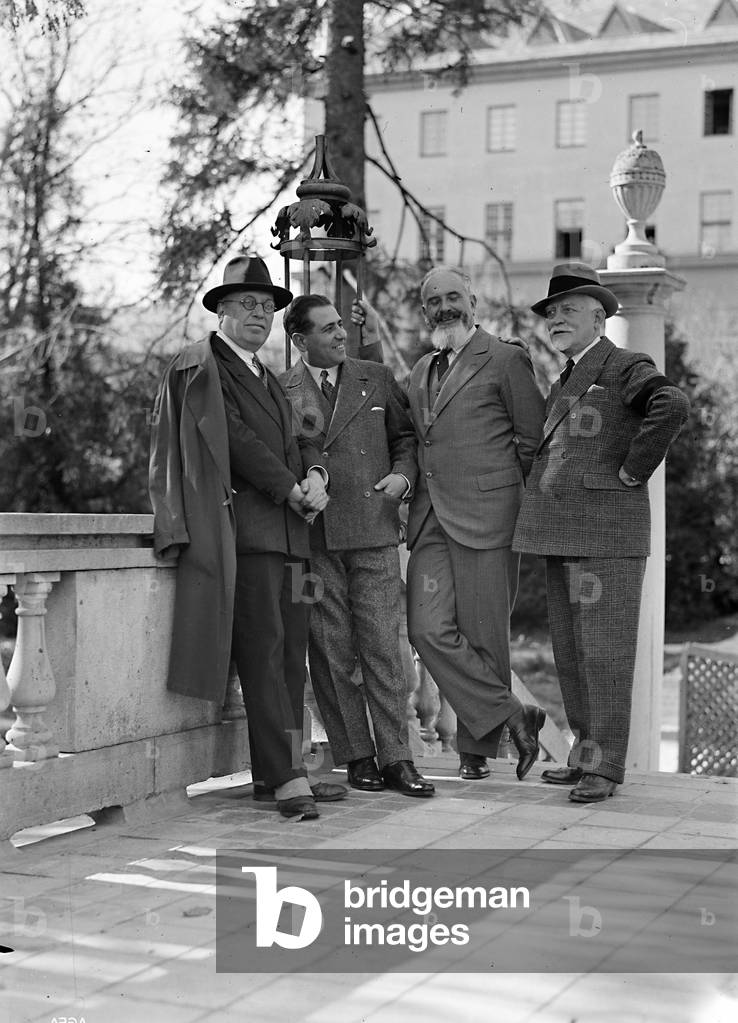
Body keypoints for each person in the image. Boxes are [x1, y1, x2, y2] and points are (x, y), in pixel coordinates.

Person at [149, 254, 346, 820]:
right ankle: (286, 779)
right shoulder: (204, 368)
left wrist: (316, 476)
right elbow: (233, 441)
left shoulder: (265, 374)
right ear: (222, 311)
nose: (260, 314)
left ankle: (278, 773)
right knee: (262, 655)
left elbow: (300, 438)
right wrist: (289, 487)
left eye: (267, 306)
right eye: (248, 304)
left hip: (292, 534)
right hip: (249, 534)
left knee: (290, 660)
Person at [513, 262, 690, 803]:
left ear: (599, 316)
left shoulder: (622, 364)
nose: (556, 319)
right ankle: (584, 757)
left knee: (606, 653)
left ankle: (606, 768)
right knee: (571, 654)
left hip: (607, 535)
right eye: (550, 312)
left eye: (567, 310)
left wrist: (634, 470)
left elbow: (672, 404)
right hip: (565, 533)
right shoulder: (567, 374)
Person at [280, 294, 435, 797]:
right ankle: (357, 755)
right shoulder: (282, 389)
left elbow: (407, 438)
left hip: (373, 526)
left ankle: (398, 757)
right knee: (330, 650)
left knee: (383, 648)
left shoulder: (375, 375)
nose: (341, 334)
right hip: (316, 534)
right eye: (327, 329)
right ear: (300, 341)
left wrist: (401, 477)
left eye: (340, 325)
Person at [405, 266, 547, 782]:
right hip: (430, 519)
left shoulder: (506, 360)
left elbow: (533, 444)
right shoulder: (419, 371)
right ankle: (514, 714)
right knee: (425, 627)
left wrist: (519, 513)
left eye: (453, 297)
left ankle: (476, 750)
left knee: (486, 635)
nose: (445, 307)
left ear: (473, 301)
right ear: (425, 312)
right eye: (434, 301)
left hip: (490, 518)